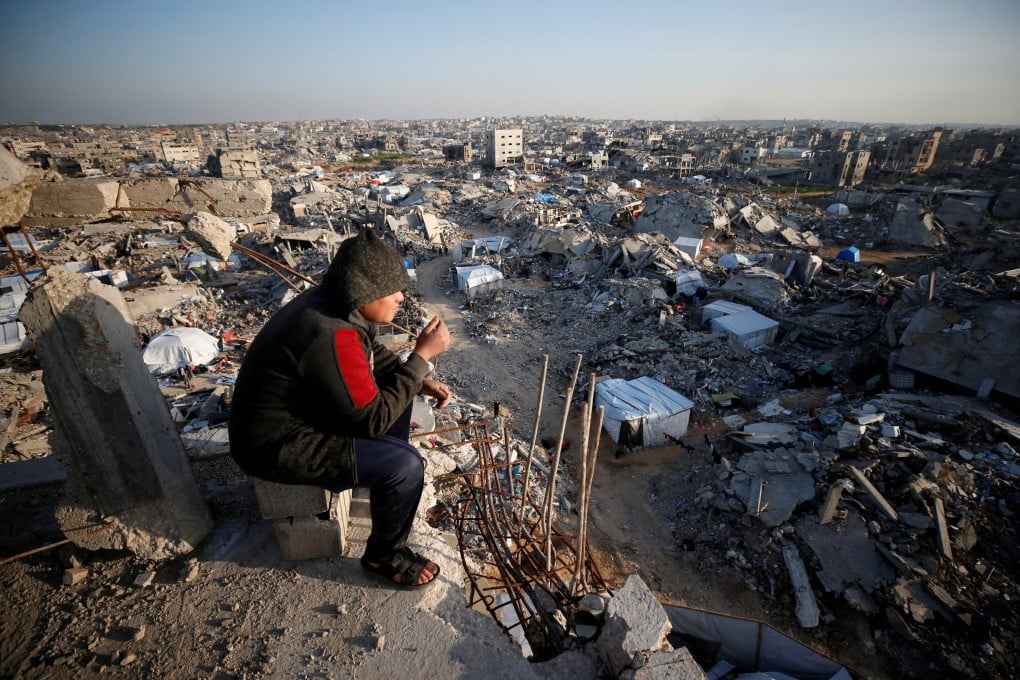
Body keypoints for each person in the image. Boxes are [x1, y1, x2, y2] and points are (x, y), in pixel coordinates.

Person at [228, 229, 452, 589]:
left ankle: (382, 476)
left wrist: (412, 375)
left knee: (401, 392)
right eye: (391, 290)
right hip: (275, 445)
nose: (399, 297)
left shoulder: (333, 305)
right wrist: (421, 358)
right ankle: (384, 556)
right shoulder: (331, 332)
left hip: (294, 417)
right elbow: (372, 420)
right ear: (363, 292)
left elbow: (369, 355)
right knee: (406, 465)